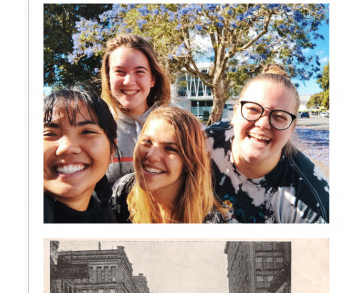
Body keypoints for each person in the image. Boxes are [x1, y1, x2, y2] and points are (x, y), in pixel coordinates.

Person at [206, 64, 329, 223]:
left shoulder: (311, 201)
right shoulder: (203, 143)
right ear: (235, 113)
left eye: (279, 116)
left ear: (292, 128)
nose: (263, 124)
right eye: (253, 110)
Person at [111, 107, 226, 223]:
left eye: (170, 148)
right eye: (147, 142)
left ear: (190, 161)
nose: (152, 155)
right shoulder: (122, 191)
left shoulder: (210, 221)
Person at [101, 33, 171, 184]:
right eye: (119, 71)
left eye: (139, 71)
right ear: (108, 78)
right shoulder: (95, 126)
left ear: (152, 79)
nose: (129, 81)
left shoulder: (176, 123)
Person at [43, 85, 118, 223]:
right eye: (49, 134)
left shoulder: (107, 219)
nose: (67, 148)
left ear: (112, 151)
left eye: (87, 132)